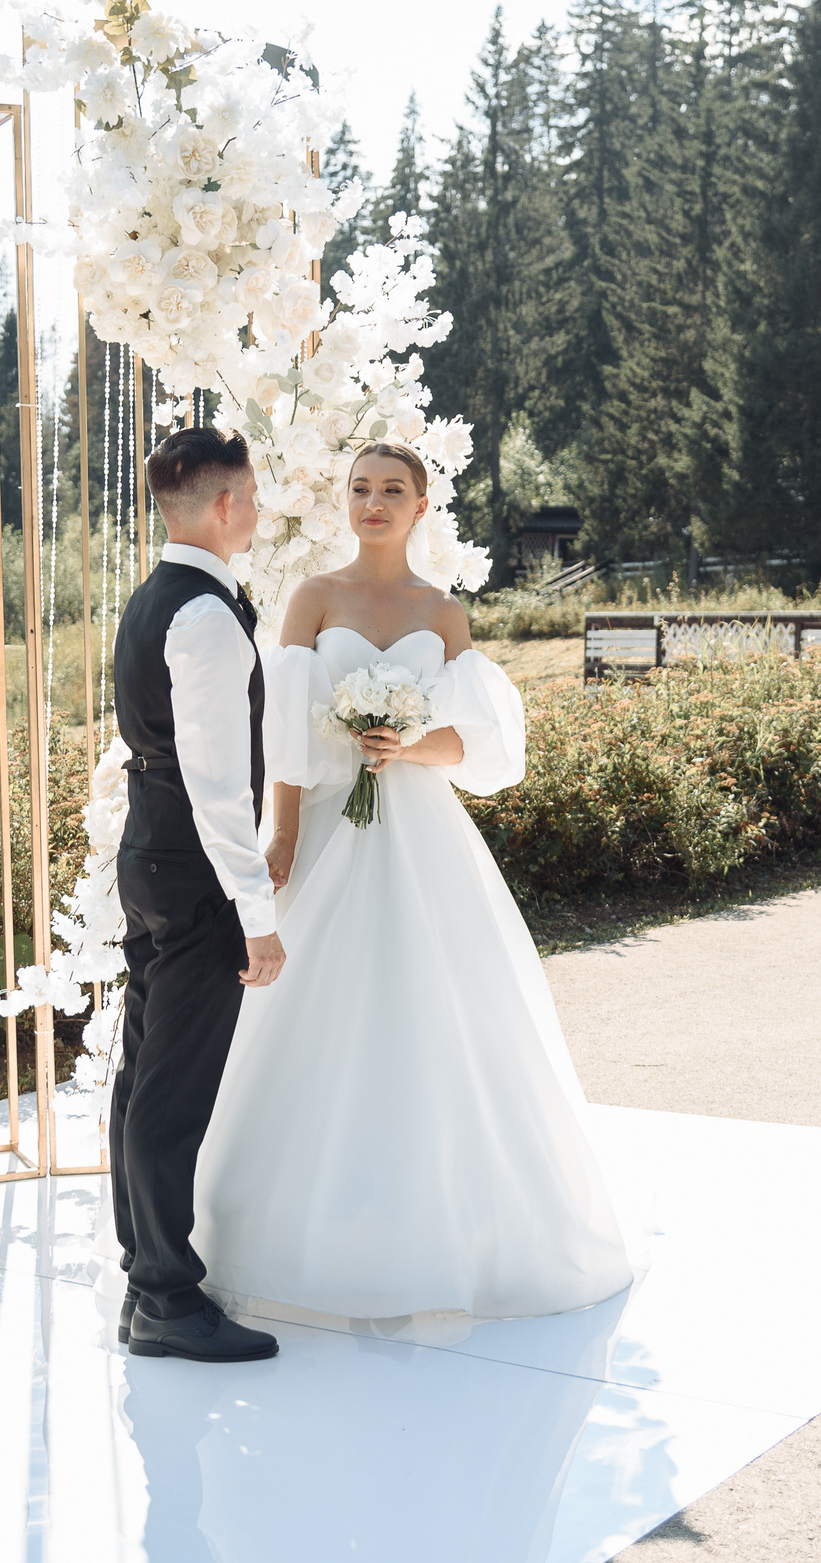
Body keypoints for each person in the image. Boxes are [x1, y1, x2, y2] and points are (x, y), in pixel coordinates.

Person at [188, 441, 633, 1322]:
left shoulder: (444, 613)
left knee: (442, 1009)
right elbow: (283, 727)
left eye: (392, 490)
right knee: (317, 1006)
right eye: (360, 489)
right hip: (328, 831)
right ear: (345, 502)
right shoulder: (314, 598)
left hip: (422, 830)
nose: (373, 503)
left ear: (422, 506)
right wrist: (282, 833)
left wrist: (406, 745)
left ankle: (451, 1232)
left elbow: (472, 737)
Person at [108, 427, 287, 1363]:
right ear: (223, 506)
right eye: (251, 495)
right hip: (193, 865)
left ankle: (147, 1275)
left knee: (144, 1071)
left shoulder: (152, 600)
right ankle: (167, 1300)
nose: (257, 509)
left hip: (150, 854)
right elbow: (221, 785)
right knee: (171, 1087)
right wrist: (257, 916)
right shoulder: (208, 618)